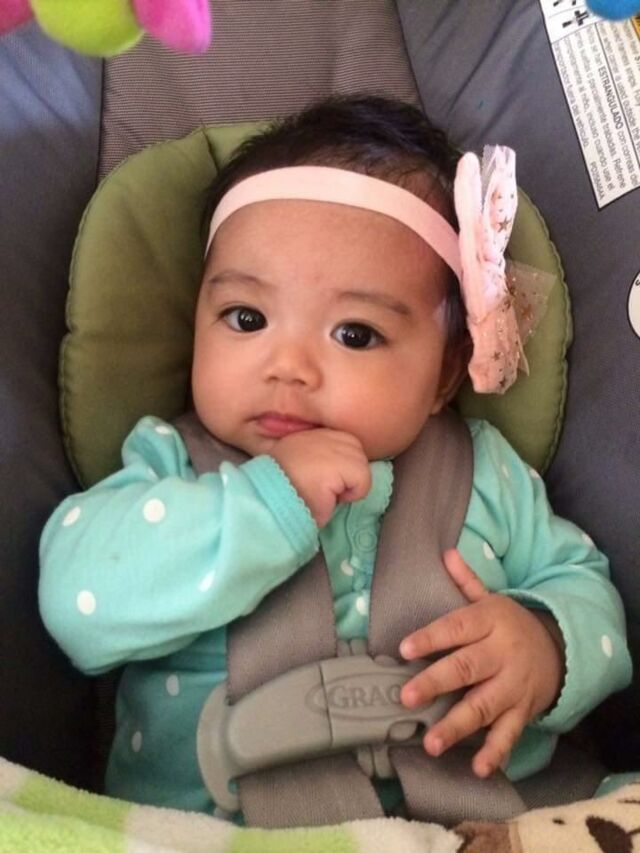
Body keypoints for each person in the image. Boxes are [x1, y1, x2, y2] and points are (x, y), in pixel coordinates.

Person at [39, 95, 631, 821]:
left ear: (445, 374)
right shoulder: (172, 467)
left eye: (354, 334)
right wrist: (264, 503)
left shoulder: (486, 472)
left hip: (495, 818)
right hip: (221, 829)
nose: (288, 366)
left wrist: (545, 643)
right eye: (246, 318)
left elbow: (586, 588)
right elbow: (75, 601)